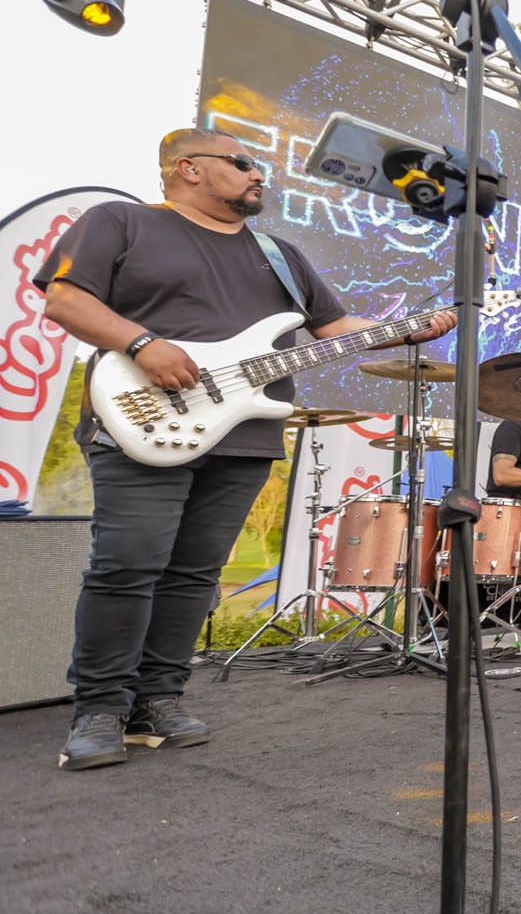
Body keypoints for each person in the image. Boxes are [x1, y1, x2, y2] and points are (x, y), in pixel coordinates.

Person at [34, 128, 455, 771]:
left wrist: (408, 330)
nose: (258, 173)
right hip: (140, 418)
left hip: (244, 433)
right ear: (189, 168)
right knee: (128, 565)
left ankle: (157, 701)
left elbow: (334, 328)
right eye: (243, 162)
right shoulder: (122, 221)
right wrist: (143, 344)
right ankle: (99, 708)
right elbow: (65, 298)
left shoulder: (278, 254)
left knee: (195, 573)